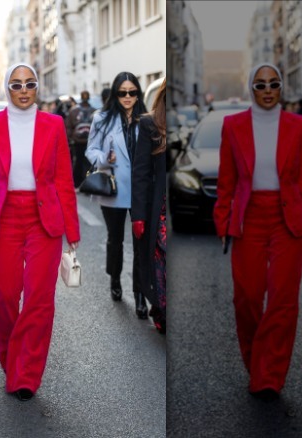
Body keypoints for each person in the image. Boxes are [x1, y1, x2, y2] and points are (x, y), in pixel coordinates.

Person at [0, 63, 80, 402]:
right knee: (2, 297)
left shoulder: (54, 124)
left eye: (29, 83)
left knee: (38, 299)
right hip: (4, 218)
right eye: (16, 84)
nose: (23, 89)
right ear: (7, 87)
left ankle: (26, 376)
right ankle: (12, 361)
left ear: (37, 89)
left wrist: (72, 231)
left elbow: (63, 180)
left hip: (43, 218)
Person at [213, 63, 302, 401]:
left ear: (281, 88)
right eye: (260, 84)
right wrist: (222, 221)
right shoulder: (233, 126)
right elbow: (226, 180)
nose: (267, 89)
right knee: (246, 298)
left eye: (273, 84)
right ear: (251, 88)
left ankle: (269, 375)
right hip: (249, 218)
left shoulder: (298, 125)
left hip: (287, 219)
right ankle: (256, 361)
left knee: (282, 300)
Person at [85, 72, 148, 318]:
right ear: (115, 93)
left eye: (132, 92)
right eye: (123, 92)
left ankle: (141, 295)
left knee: (141, 243)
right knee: (116, 239)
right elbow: (91, 149)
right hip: (114, 188)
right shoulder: (102, 119)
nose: (128, 97)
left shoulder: (147, 119)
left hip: (141, 191)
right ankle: (115, 280)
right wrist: (104, 158)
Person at [131, 79, 168, 334]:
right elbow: (141, 173)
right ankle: (161, 309)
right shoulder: (150, 123)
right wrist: (139, 216)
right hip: (159, 209)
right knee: (160, 264)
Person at [65, 90, 96, 187]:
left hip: (77, 142)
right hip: (90, 141)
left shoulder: (73, 110)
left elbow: (68, 127)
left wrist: (71, 139)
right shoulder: (94, 111)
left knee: (78, 162)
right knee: (89, 163)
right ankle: (88, 182)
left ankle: (77, 183)